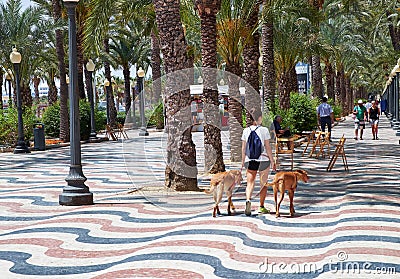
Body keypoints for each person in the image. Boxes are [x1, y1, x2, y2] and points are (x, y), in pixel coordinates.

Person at [241, 109, 275, 216]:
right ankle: (261, 206)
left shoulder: (245, 131)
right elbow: (268, 147)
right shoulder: (264, 130)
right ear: (259, 118)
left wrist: (242, 162)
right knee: (263, 184)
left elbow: (243, 148)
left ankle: (248, 200)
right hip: (263, 160)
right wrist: (272, 160)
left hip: (250, 160)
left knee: (250, 183)